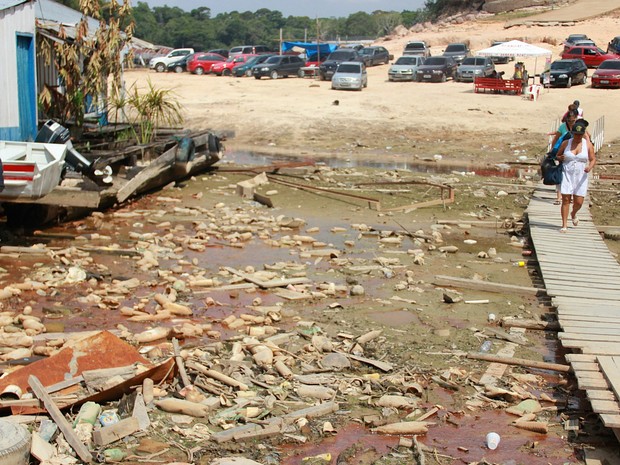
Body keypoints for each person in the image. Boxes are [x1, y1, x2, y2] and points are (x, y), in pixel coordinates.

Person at [556, 119, 596, 233]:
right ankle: (564, 225)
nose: (578, 137)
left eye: (580, 134)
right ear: (572, 133)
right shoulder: (566, 143)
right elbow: (557, 155)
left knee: (579, 202)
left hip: (581, 175)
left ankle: (573, 213)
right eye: (576, 134)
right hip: (567, 173)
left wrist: (590, 167)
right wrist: (560, 157)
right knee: (566, 199)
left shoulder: (587, 145)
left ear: (583, 134)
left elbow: (593, 159)